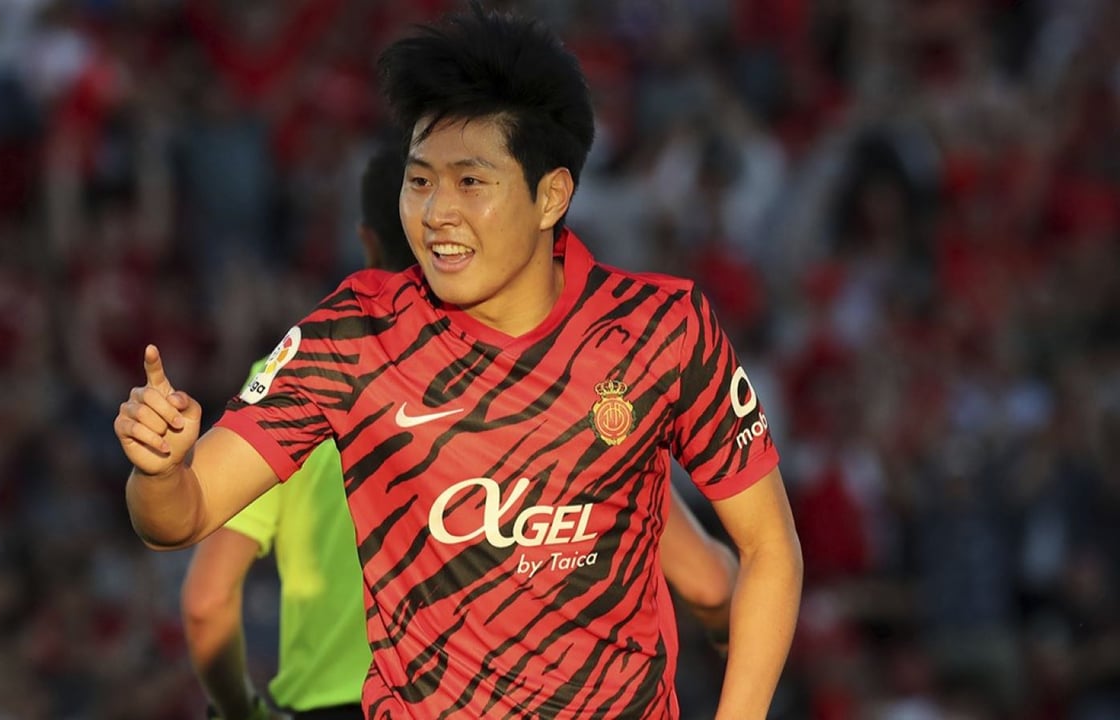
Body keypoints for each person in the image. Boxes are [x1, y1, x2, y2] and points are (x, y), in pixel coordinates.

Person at [116, 6, 802, 719]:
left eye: (470, 182)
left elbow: (769, 549)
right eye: (419, 181)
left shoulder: (661, 329)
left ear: (551, 195)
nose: (437, 212)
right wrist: (158, 472)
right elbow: (181, 518)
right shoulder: (354, 337)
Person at [179, 142, 416, 720]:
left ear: (367, 243)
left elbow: (207, 601)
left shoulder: (290, 378)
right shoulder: (517, 376)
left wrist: (242, 712)